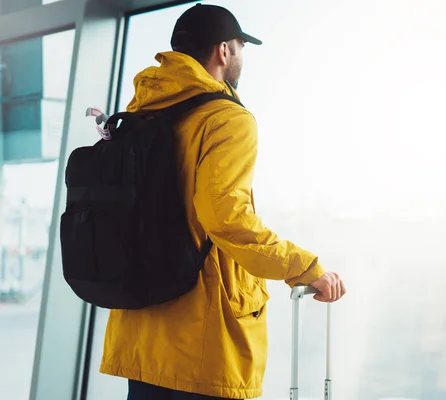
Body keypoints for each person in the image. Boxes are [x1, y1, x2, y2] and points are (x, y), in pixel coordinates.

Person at [99, 4, 346, 400]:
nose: (241, 58)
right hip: (201, 343)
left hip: (141, 329)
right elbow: (227, 218)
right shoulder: (226, 118)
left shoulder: (140, 114)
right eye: (240, 48)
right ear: (223, 51)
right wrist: (304, 268)